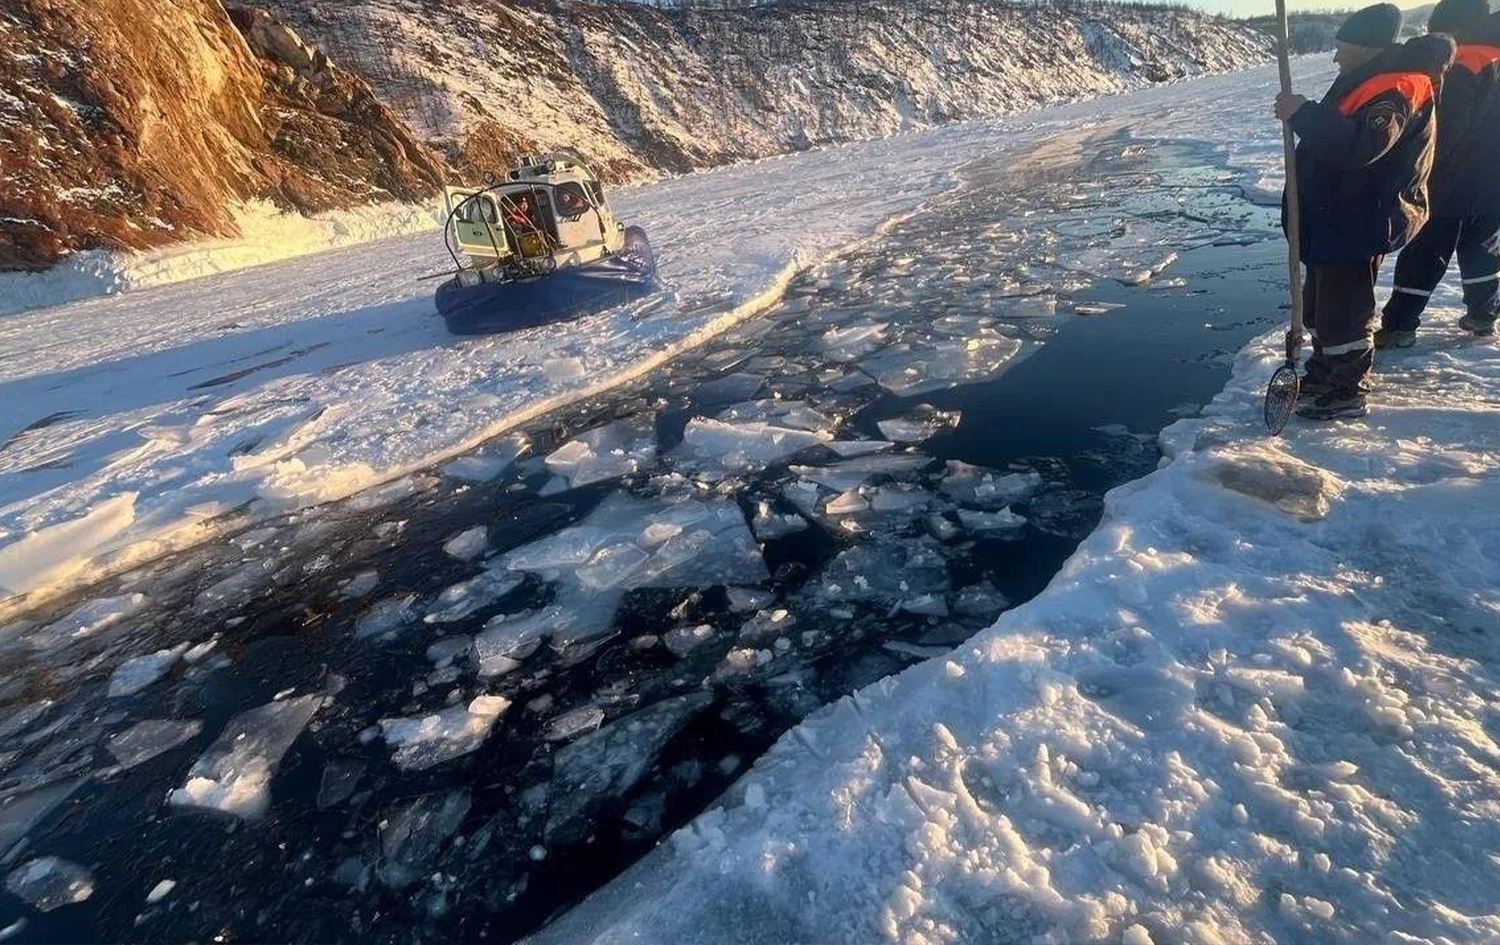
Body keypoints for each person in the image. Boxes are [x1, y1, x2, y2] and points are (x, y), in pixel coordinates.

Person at [1274, 4, 1455, 420]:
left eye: (1343, 48)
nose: (1336, 57)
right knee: (1321, 307)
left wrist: (1303, 114)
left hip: (1358, 218)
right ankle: (1324, 374)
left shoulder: (1395, 89)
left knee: (1344, 311)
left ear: (1366, 47)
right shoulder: (1369, 78)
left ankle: (1346, 390)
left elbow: (1360, 147)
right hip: (1336, 214)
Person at [1377, 0, 1500, 348]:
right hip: (1493, 181)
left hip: (1450, 181)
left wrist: (1419, 165)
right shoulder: (1494, 57)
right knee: (1482, 248)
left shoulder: (1461, 65)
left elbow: (1446, 129)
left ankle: (1400, 325)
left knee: (1425, 251)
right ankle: (1483, 315)